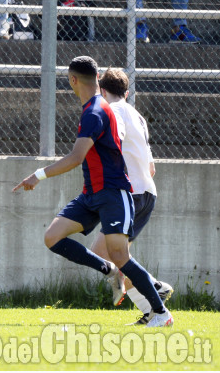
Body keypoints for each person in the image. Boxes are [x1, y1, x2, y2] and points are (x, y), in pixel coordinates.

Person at [13, 56, 173, 328]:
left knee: (120, 254)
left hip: (113, 193)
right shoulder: (99, 108)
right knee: (52, 237)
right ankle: (109, 270)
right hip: (92, 194)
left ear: (72, 80)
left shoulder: (96, 111)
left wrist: (38, 175)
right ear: (97, 77)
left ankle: (160, 313)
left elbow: (76, 157)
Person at [88, 68, 174, 325]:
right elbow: (151, 167)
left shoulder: (108, 112)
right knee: (120, 258)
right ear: (126, 93)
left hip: (129, 193)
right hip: (147, 191)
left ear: (101, 90)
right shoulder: (138, 116)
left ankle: (155, 286)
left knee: (101, 253)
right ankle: (152, 311)